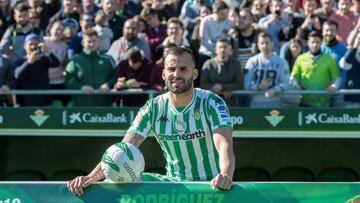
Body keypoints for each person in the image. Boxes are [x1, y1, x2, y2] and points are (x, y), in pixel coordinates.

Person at [67, 47, 235, 196]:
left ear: (194, 73)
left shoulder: (212, 102)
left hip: (210, 183)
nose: (176, 74)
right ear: (163, 74)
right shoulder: (153, 107)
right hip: (174, 184)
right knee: (120, 181)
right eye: (171, 69)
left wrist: (225, 175)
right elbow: (122, 150)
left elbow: (224, 146)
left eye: (183, 69)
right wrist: (90, 177)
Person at [65, 30, 116, 106]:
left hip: (105, 109)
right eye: (89, 41)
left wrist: (108, 85)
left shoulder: (108, 59)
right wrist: (81, 87)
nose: (92, 44)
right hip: (81, 108)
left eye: (94, 41)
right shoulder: (75, 61)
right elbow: (68, 79)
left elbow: (116, 75)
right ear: (83, 43)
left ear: (98, 41)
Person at [290, 31, 340, 107]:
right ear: (308, 42)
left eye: (317, 42)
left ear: (321, 42)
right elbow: (293, 77)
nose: (315, 45)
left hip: (324, 103)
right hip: (304, 102)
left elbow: (337, 78)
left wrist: (333, 86)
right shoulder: (300, 58)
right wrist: (295, 85)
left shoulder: (329, 59)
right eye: (312, 42)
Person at [244, 32, 290, 107]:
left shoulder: (282, 62)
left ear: (272, 44)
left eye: (267, 43)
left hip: (275, 101)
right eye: (262, 43)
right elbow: (246, 83)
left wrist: (275, 90)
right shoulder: (252, 61)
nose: (264, 46)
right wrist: (258, 87)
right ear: (258, 45)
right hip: (256, 101)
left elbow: (286, 82)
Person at [14, 33, 60, 106]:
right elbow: (17, 75)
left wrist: (48, 52)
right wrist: (29, 62)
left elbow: (56, 64)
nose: (33, 47)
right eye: (30, 44)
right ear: (24, 46)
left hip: (45, 101)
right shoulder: (20, 61)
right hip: (26, 102)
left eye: (35, 44)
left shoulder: (43, 59)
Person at [200, 39, 244, 106]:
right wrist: (215, 88)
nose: (222, 50)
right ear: (215, 50)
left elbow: (239, 84)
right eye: (220, 47)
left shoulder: (236, 64)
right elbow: (203, 84)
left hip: (231, 101)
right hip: (211, 101)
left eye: (225, 47)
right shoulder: (208, 64)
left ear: (230, 49)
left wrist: (222, 87)